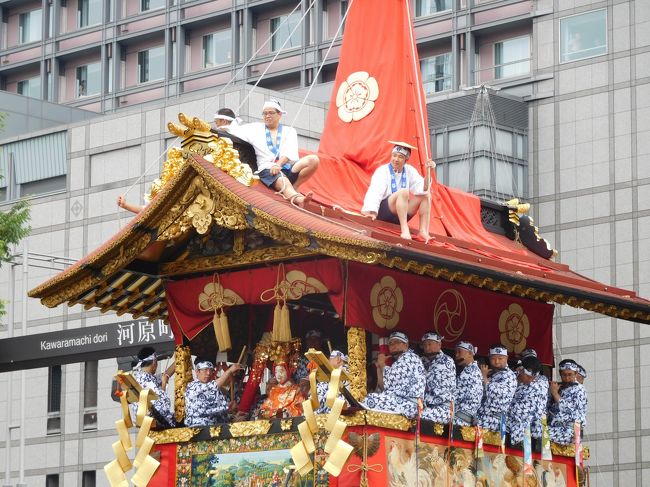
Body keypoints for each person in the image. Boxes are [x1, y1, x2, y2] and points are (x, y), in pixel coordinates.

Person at [228, 99, 319, 205]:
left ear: (279, 114)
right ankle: (299, 199)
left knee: (313, 159)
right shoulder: (254, 128)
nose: (267, 116)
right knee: (283, 181)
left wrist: (278, 164)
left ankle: (295, 186)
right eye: (265, 113)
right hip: (268, 169)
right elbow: (232, 130)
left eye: (271, 113)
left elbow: (289, 152)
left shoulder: (289, 131)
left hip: (286, 166)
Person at [361, 141, 436, 240]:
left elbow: (423, 188)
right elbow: (375, 192)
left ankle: (423, 231)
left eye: (400, 157)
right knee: (404, 192)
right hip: (384, 211)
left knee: (426, 195)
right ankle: (405, 229)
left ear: (406, 159)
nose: (396, 159)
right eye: (394, 155)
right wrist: (372, 212)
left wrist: (428, 171)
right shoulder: (383, 170)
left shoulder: (409, 170)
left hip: (401, 213)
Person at [362, 331, 425, 419]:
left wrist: (382, 364)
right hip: (401, 401)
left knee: (369, 399)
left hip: (409, 404)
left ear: (406, 345)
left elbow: (392, 379)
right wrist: (378, 367)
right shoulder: (399, 361)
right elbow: (385, 386)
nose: (393, 345)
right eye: (391, 343)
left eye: (397, 342)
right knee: (369, 397)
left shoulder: (409, 357)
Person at [184, 358, 242, 426]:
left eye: (211, 370)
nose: (208, 373)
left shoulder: (215, 390)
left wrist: (228, 408)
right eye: (205, 370)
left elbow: (216, 409)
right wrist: (229, 371)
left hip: (216, 426)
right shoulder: (193, 386)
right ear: (197, 371)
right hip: (199, 426)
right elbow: (214, 385)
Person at [130, 347, 176, 428]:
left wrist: (179, 360)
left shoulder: (142, 376)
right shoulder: (147, 380)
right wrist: (164, 384)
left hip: (147, 421)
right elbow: (163, 406)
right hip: (153, 423)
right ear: (154, 362)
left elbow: (165, 375)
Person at [507, 356, 548, 444]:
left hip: (526, 434)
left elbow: (520, 412)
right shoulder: (509, 378)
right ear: (521, 369)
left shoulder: (537, 388)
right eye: (528, 376)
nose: (530, 380)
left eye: (533, 378)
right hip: (505, 429)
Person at [476, 344, 517, 431]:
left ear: (507, 358)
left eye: (500, 358)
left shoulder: (509, 375)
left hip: (493, 423)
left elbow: (496, 393)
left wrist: (484, 377)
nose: (497, 361)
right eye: (493, 358)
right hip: (481, 419)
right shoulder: (492, 374)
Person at [548, 359, 587, 445]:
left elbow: (571, 410)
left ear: (576, 373)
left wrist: (555, 394)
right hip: (552, 426)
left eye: (570, 375)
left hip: (568, 430)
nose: (567, 378)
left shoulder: (579, 389)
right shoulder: (559, 387)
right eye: (564, 375)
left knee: (540, 436)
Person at [420, 331, 456, 423]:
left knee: (415, 417)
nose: (427, 348)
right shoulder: (424, 361)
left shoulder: (445, 361)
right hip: (428, 407)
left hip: (442, 408)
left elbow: (431, 386)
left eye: (429, 344)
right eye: (424, 345)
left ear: (439, 345)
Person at [453, 341, 483, 426]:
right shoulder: (472, 369)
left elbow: (457, 395)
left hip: (461, 417)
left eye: (459, 352)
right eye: (456, 352)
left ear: (470, 354)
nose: (456, 355)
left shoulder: (470, 371)